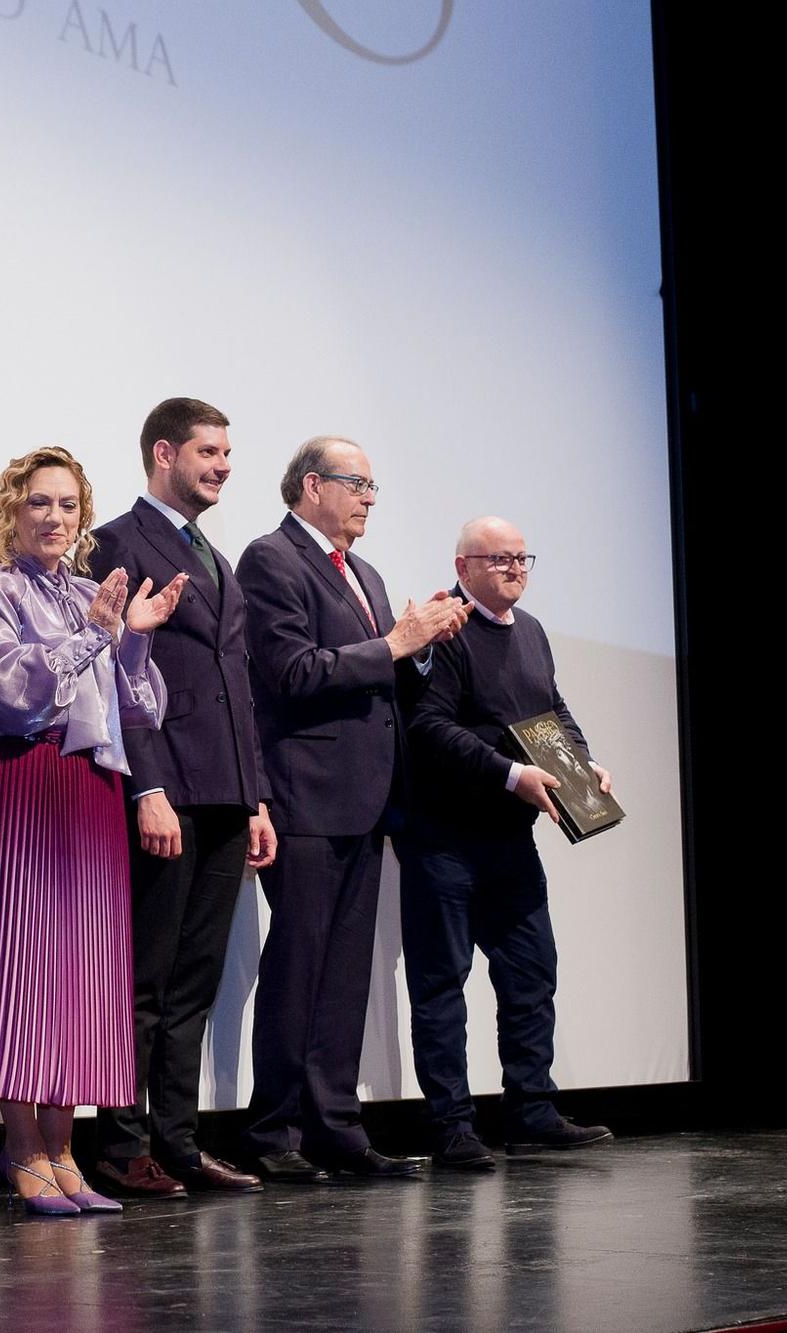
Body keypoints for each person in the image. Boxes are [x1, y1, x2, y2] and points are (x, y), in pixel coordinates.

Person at [0, 447, 185, 1215]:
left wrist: (134, 634)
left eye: (68, 505)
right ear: (11, 509)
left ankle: (65, 1148)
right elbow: (11, 692)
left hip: (89, 787)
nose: (55, 518)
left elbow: (143, 705)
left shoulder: (91, 589)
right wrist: (93, 634)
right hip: (23, 782)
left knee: (82, 974)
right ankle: (22, 1148)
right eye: (39, 503)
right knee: (23, 964)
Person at [233, 436, 469, 1183]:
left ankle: (335, 1125)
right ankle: (273, 1130)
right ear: (312, 485)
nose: (369, 497)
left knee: (344, 977)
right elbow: (293, 672)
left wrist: (420, 649)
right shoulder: (271, 559)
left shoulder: (361, 570)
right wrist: (397, 642)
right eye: (357, 483)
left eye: (373, 487)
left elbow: (381, 677)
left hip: (365, 801)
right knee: (298, 966)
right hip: (304, 796)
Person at [88, 397, 278, 1199]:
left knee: (195, 978)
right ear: (163, 453)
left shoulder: (213, 555)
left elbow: (235, 685)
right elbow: (116, 682)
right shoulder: (116, 543)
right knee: (147, 976)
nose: (224, 464)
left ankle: (177, 1140)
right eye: (209, 449)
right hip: (166, 792)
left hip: (226, 794)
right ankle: (123, 1146)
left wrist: (257, 797)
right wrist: (149, 785)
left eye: (229, 451)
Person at [398, 516, 616, 1170]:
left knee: (531, 972)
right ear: (463, 567)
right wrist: (511, 773)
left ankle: (531, 1111)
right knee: (442, 984)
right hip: (444, 840)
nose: (516, 568)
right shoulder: (448, 632)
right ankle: (452, 1127)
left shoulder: (534, 633)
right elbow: (427, 727)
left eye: (524, 558)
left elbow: (552, 711)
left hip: (509, 841)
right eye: (500, 559)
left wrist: (586, 765)